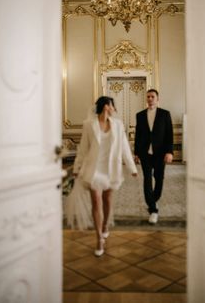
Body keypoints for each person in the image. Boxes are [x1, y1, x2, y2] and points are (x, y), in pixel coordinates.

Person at [67, 96, 137, 257]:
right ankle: (99, 237)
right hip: (94, 170)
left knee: (107, 200)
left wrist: (132, 167)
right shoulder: (89, 125)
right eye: (112, 106)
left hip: (111, 170)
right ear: (107, 106)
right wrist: (77, 167)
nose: (114, 109)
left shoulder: (118, 125)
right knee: (96, 201)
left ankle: (105, 225)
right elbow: (83, 149)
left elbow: (125, 147)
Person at [134, 89, 173, 224]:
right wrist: (136, 153)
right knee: (147, 179)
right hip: (145, 153)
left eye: (152, 96)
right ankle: (153, 209)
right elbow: (138, 136)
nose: (150, 99)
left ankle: (153, 200)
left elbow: (169, 134)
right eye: (148, 97)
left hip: (160, 153)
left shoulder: (165, 114)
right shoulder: (139, 115)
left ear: (157, 99)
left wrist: (170, 152)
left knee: (159, 178)